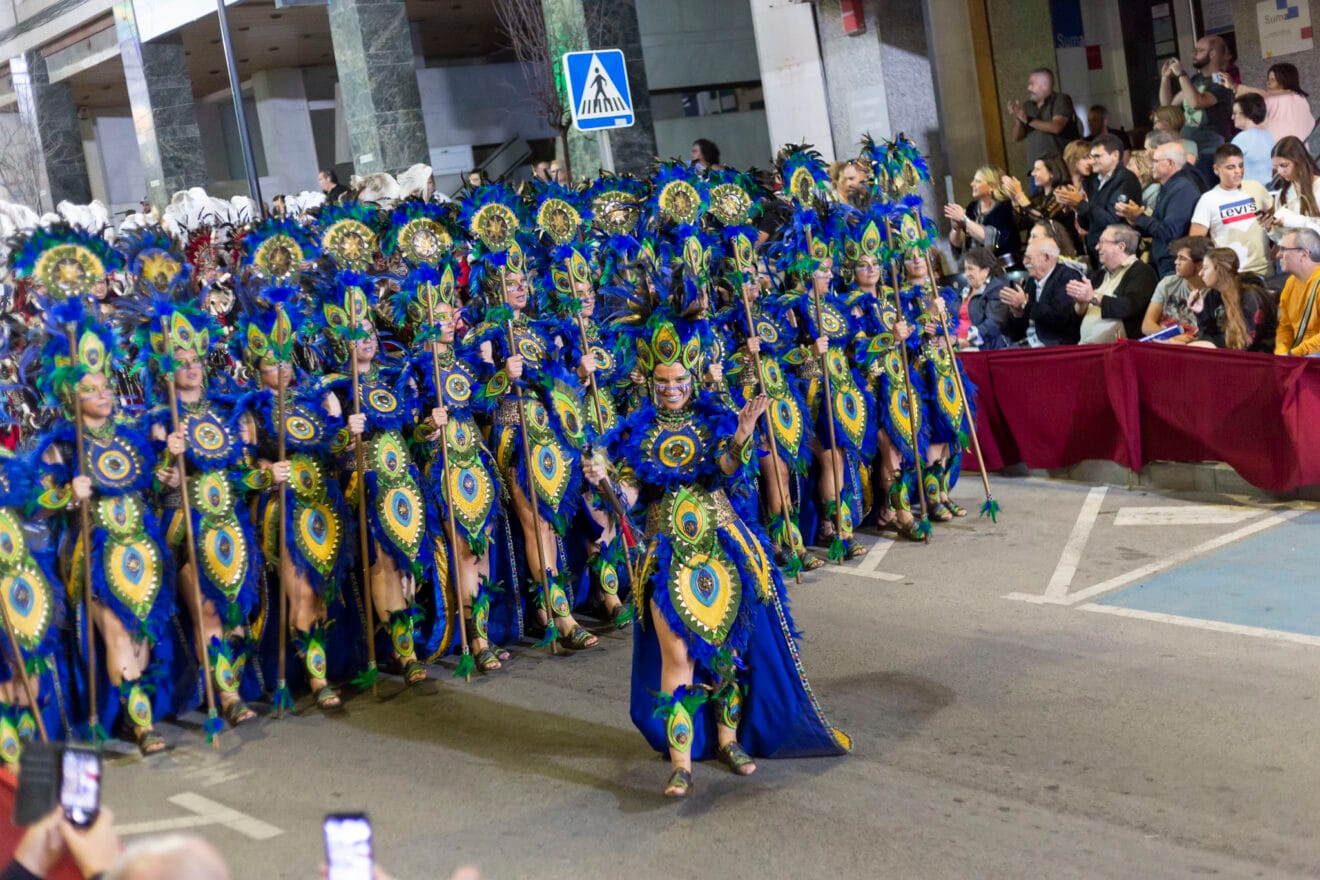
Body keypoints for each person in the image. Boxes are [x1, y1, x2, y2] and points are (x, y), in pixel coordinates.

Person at [594, 304, 849, 798]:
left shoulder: (713, 420)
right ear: (650, 379)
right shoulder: (633, 434)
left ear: (692, 376)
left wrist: (740, 436)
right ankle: (681, 763)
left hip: (723, 543)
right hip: (667, 554)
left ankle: (730, 742)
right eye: (661, 381)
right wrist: (605, 483)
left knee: (729, 653)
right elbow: (626, 500)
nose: (670, 389)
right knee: (677, 659)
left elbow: (729, 471)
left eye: (678, 380)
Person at [1116, 140, 1205, 277]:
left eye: (1155, 161)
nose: (1151, 166)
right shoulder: (1169, 187)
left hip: (1173, 265)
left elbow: (1169, 232)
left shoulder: (1183, 190)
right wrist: (1135, 219)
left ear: (1170, 163)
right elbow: (1158, 226)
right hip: (1164, 262)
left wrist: (1140, 217)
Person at [1189, 143, 1272, 277]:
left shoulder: (1256, 187)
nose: (1238, 171)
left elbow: (1275, 217)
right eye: (1230, 167)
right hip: (1231, 275)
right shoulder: (1208, 200)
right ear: (1217, 169)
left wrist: (1276, 251)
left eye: (1241, 165)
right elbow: (1195, 241)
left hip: (1265, 270)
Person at [1066, 224, 1158, 342]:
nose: (1097, 247)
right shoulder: (1099, 274)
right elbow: (1077, 316)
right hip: (1085, 346)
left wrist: (1092, 297)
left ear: (1120, 246)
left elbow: (1130, 307)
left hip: (1119, 352)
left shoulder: (1142, 271)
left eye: (1102, 242)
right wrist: (1081, 302)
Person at [1159, 36, 1236, 175]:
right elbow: (1168, 105)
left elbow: (1196, 103)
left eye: (1200, 50)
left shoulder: (1222, 80)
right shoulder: (1195, 79)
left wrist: (1181, 74)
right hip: (1188, 147)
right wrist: (1165, 79)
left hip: (1209, 150)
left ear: (1212, 54)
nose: (1194, 54)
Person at [1183, 246, 1276, 351]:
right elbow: (1207, 334)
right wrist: (1200, 313)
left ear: (1220, 270)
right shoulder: (1212, 295)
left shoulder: (1249, 296)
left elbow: (1246, 342)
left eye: (1205, 268)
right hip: (1226, 353)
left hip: (1255, 357)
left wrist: (1211, 344)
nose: (1200, 274)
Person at [1073, 134, 1144, 266]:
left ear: (1115, 155)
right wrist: (1076, 206)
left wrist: (1080, 204)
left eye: (1097, 156)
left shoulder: (1125, 179)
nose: (1092, 161)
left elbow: (1113, 220)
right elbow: (1087, 224)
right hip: (1097, 252)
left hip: (1118, 253)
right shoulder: (1093, 181)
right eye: (1091, 156)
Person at [1001, 238, 1084, 346]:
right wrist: (1018, 314)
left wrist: (1025, 304)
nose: (1024, 262)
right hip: (1028, 344)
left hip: (1056, 349)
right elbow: (1014, 334)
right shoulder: (1031, 282)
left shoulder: (1067, 277)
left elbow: (1059, 318)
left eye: (1029, 258)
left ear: (1046, 257)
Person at [944, 165, 1021, 268]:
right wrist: (956, 228)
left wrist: (964, 219)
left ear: (992, 187)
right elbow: (958, 245)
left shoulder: (1005, 207)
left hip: (1006, 269)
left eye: (978, 181)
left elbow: (991, 238)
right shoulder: (972, 207)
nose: (972, 184)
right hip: (977, 269)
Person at [1008, 68, 1077, 169]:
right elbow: (1017, 137)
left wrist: (1028, 120)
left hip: (1058, 168)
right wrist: (1018, 120)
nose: (1028, 88)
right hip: (1035, 169)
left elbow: (1056, 127)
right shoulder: (1028, 106)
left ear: (1045, 85)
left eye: (1032, 84)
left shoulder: (1061, 99)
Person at [1142, 236, 1211, 336]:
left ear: (1200, 265)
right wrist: (1171, 339)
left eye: (1182, 259)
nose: (1176, 262)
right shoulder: (1167, 283)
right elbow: (1147, 325)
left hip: (1195, 346)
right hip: (1164, 342)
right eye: (1177, 257)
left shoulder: (1214, 292)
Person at [1001, 153, 1076, 242]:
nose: (1033, 173)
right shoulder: (1038, 195)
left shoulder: (1064, 191)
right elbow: (1021, 225)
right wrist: (1014, 199)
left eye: (1037, 170)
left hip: (1062, 246)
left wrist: (1020, 195)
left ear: (1052, 172)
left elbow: (1044, 219)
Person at [1235, 62, 1316, 144]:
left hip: (1282, 152)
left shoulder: (1281, 98)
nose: (1268, 83)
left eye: (1272, 80)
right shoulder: (1301, 98)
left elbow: (1262, 95)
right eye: (1268, 79)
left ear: (1284, 81)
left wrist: (1235, 87)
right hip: (1299, 151)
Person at [1274, 228, 1320, 355]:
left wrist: (1293, 354)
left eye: (1283, 249)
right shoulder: (1291, 283)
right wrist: (1281, 353)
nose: (1278, 255)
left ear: (1304, 254)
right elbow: (1285, 326)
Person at [959, 247, 1014, 349]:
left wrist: (968, 342)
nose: (966, 274)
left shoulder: (998, 289)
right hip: (960, 343)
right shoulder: (965, 290)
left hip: (985, 346)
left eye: (970, 269)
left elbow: (994, 323)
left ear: (985, 271)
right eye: (965, 269)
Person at [1268, 136, 1320, 238]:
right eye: (1276, 167)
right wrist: (1270, 228)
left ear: (1298, 161)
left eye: (1284, 165)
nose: (1280, 172)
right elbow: (1282, 239)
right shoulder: (1282, 194)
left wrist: (1296, 221)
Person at [1230, 93, 1275, 186]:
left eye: (1235, 113)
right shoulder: (1268, 135)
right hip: (1267, 191)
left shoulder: (1242, 138)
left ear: (1247, 113)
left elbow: (1224, 170)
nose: (1232, 117)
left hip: (1248, 193)